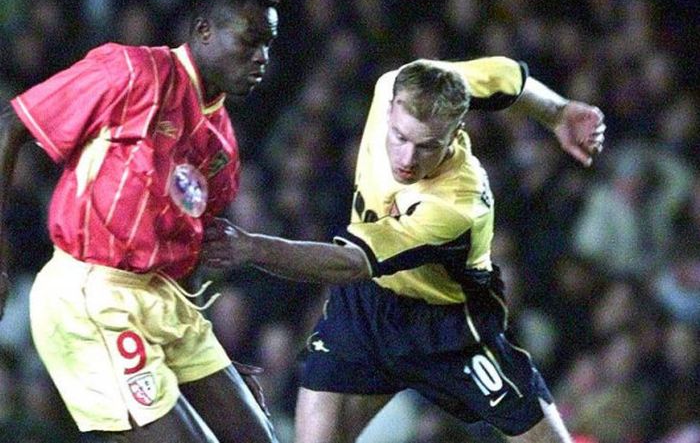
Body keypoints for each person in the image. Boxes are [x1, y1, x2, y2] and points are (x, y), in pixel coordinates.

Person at [202, 56, 606, 442]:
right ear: (392, 105)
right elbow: (504, 77)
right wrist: (558, 111)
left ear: (456, 129)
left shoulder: (457, 201)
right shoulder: (401, 85)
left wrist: (250, 247)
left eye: (428, 146)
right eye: (399, 137)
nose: (408, 158)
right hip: (365, 308)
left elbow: (351, 262)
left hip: (446, 327)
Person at [0, 0, 281, 442]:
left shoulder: (223, 147)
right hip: (90, 293)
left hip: (164, 301)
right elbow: (11, 128)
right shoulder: (131, 73)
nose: (262, 58)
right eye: (251, 41)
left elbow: (182, 257)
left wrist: (213, 367)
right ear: (205, 31)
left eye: (268, 45)